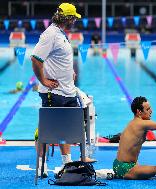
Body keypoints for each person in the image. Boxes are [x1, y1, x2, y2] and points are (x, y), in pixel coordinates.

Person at [31, 3, 92, 177]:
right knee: (46, 130)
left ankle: (67, 163)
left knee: (72, 128)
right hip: (54, 93)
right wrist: (43, 80)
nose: (75, 21)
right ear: (69, 18)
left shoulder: (59, 33)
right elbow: (35, 59)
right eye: (74, 18)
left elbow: (57, 59)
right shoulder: (50, 35)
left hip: (68, 91)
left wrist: (69, 72)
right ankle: (41, 165)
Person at [113, 96, 156, 180]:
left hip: (119, 165)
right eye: (148, 109)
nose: (151, 111)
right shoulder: (142, 123)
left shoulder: (132, 123)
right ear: (139, 112)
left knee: (151, 170)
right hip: (126, 169)